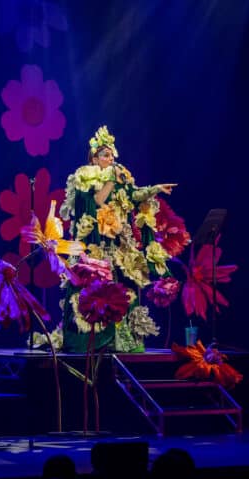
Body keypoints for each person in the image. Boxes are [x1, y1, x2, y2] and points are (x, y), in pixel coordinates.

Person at [57, 125, 174, 352]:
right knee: (99, 289)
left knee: (124, 288)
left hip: (118, 243)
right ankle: (97, 340)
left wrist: (155, 189)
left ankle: (123, 340)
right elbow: (97, 201)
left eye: (111, 155)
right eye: (105, 155)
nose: (110, 159)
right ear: (94, 158)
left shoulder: (119, 177)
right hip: (96, 246)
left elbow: (134, 194)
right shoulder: (85, 178)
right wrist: (112, 179)